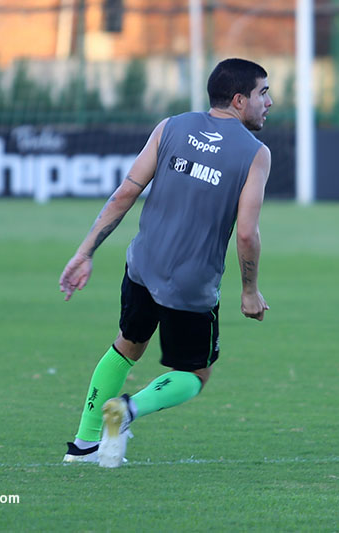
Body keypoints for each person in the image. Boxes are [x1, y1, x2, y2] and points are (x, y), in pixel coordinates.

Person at [58, 58, 272, 467]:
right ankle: (127, 409)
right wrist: (249, 291)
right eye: (263, 93)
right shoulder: (255, 154)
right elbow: (247, 233)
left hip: (142, 267)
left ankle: (83, 444)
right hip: (191, 283)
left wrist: (84, 252)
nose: (270, 102)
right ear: (239, 100)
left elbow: (125, 193)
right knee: (196, 374)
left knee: (126, 346)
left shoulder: (170, 126)